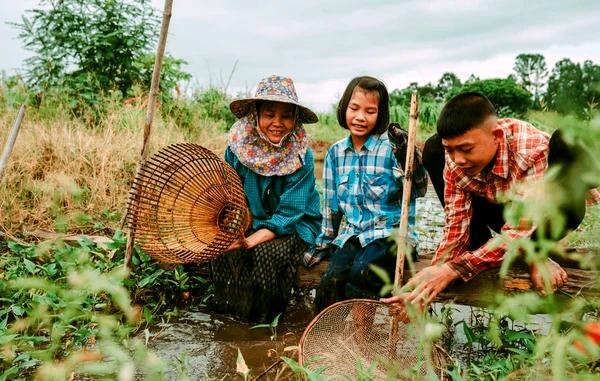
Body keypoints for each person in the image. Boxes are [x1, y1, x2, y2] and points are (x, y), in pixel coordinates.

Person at [382, 91, 600, 316]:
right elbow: (456, 226)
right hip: (503, 210)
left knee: (566, 140)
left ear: (495, 135)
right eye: (451, 150)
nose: (458, 159)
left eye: (466, 149)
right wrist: (434, 274)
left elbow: (519, 230)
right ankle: (491, 251)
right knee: (432, 148)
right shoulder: (453, 158)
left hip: (547, 216)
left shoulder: (532, 150)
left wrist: (454, 269)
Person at [210, 75, 322, 323]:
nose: (277, 123)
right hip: (251, 219)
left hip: (295, 223)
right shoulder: (237, 149)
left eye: (286, 116)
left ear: (294, 119)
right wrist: (234, 232)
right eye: (270, 114)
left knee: (265, 254)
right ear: (256, 114)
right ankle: (231, 319)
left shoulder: (301, 156)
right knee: (223, 253)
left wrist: (250, 241)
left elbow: (288, 215)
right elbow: (230, 196)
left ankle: (263, 324)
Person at [313, 76, 428, 312]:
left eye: (370, 111)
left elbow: (419, 188)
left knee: (363, 270)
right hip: (355, 235)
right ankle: (323, 337)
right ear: (344, 107)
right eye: (354, 108)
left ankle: (361, 337)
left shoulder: (392, 148)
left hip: (393, 235)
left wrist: (410, 155)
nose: (360, 117)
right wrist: (323, 243)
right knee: (332, 277)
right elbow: (330, 207)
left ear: (380, 114)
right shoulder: (335, 153)